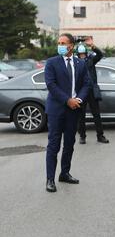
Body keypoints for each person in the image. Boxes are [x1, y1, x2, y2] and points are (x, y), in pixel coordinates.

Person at [44, 33, 91, 193]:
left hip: (74, 110)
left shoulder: (80, 63)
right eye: (59, 43)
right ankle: (50, 179)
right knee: (54, 145)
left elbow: (87, 84)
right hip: (57, 110)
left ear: (71, 46)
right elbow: (51, 85)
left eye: (63, 43)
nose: (60, 45)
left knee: (69, 144)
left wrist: (78, 99)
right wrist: (67, 100)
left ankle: (64, 173)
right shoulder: (52, 63)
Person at [76, 37, 109, 145]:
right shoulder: (75, 62)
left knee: (96, 114)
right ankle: (82, 136)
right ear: (77, 54)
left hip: (91, 90)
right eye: (80, 54)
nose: (82, 56)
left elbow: (100, 55)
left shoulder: (91, 60)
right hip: (81, 91)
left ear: (85, 53)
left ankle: (100, 136)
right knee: (81, 115)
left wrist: (93, 46)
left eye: (83, 54)